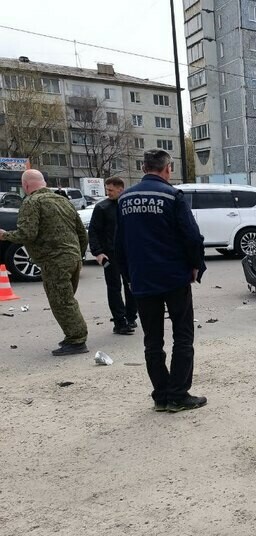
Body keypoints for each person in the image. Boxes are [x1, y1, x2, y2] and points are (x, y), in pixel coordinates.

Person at [115, 150, 208, 413]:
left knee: (152, 340)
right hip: (174, 277)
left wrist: (128, 277)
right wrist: (196, 267)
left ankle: (160, 395)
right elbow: (192, 237)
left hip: (142, 280)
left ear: (144, 167)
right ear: (168, 168)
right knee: (182, 336)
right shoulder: (173, 196)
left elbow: (118, 244)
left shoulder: (125, 199)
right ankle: (178, 395)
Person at [0, 170, 89, 356]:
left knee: (62, 302)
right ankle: (73, 336)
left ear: (25, 186)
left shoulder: (32, 202)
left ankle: (77, 340)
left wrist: (5, 235)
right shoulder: (62, 200)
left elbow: (27, 234)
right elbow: (81, 232)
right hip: (72, 258)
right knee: (66, 300)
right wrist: (77, 255)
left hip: (54, 261)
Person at [89, 176, 137, 335]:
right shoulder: (102, 208)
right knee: (114, 287)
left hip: (129, 252)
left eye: (110, 190)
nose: (107, 192)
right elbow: (94, 231)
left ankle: (131, 317)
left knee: (131, 285)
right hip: (110, 253)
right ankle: (119, 321)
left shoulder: (129, 205)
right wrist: (98, 252)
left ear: (120, 189)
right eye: (107, 189)